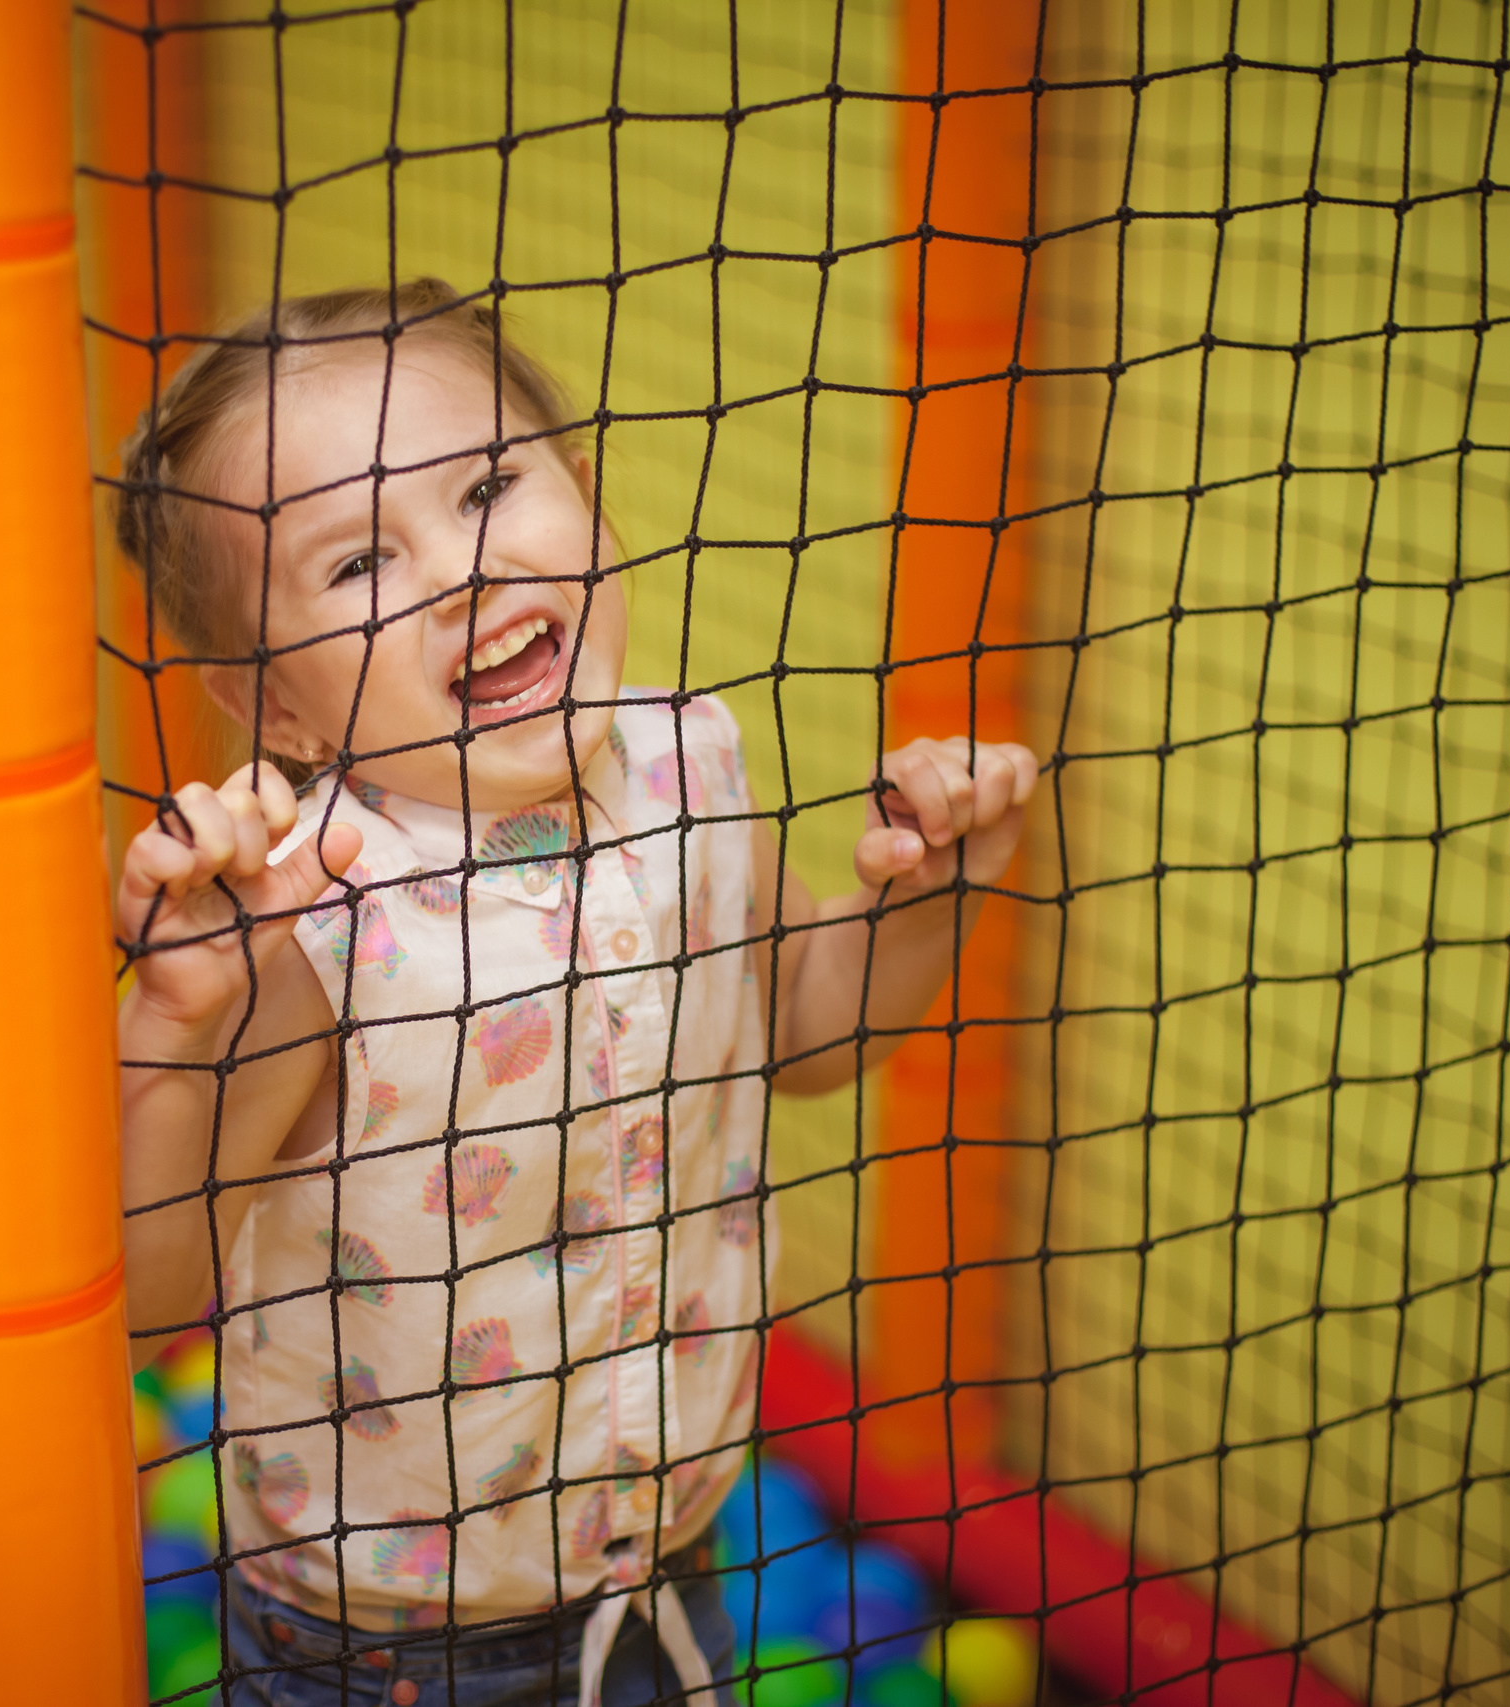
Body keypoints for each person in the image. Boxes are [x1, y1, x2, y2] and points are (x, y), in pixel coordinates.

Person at [112, 279, 1038, 1707]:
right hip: (385, 1648)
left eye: (489, 487)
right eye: (361, 564)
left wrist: (935, 890)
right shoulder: (314, 912)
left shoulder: (688, 774)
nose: (464, 573)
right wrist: (177, 1032)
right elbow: (152, 1284)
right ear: (273, 706)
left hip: (666, 1568)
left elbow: (799, 1024)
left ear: (590, 505)